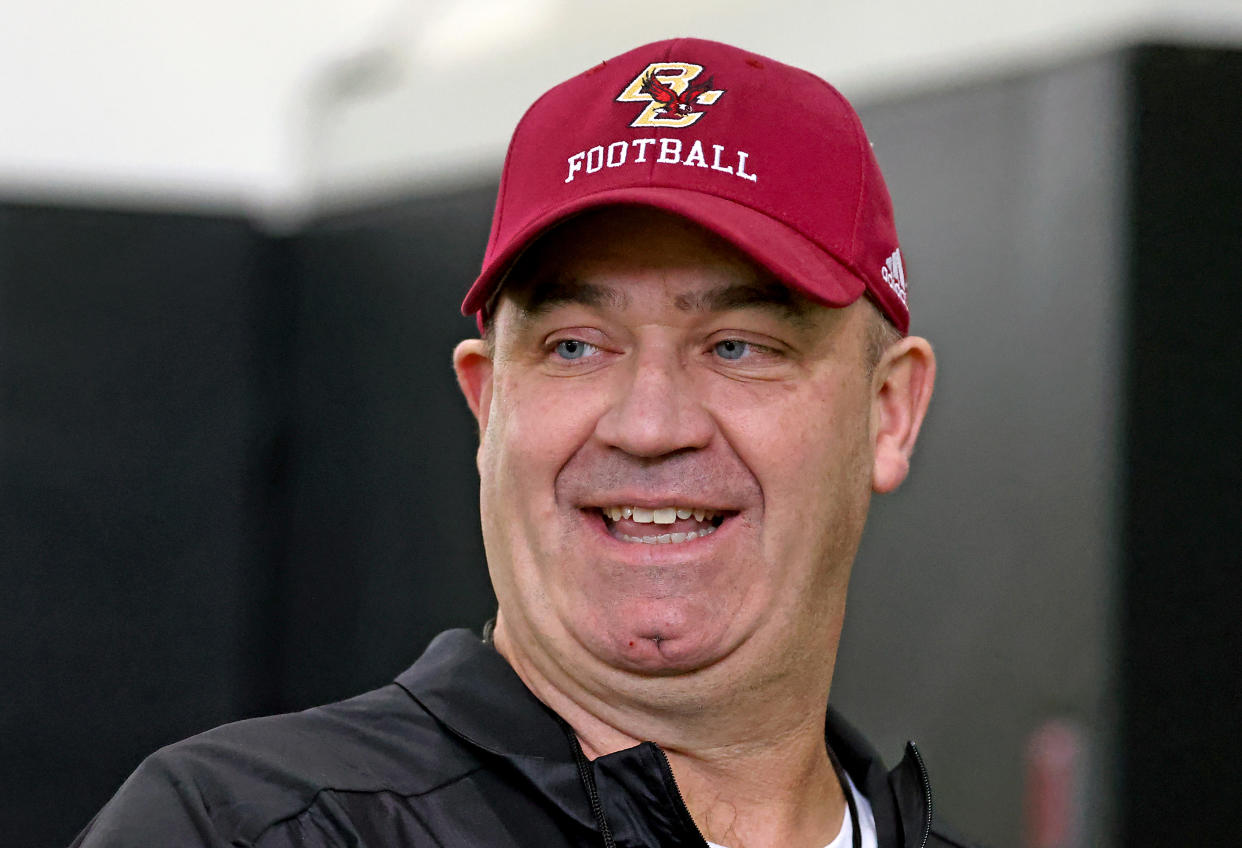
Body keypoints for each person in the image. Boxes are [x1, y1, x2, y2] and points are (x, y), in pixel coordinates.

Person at [72, 37, 974, 848]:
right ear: (487, 400)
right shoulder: (240, 832)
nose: (648, 424)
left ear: (888, 411)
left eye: (738, 347)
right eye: (575, 346)